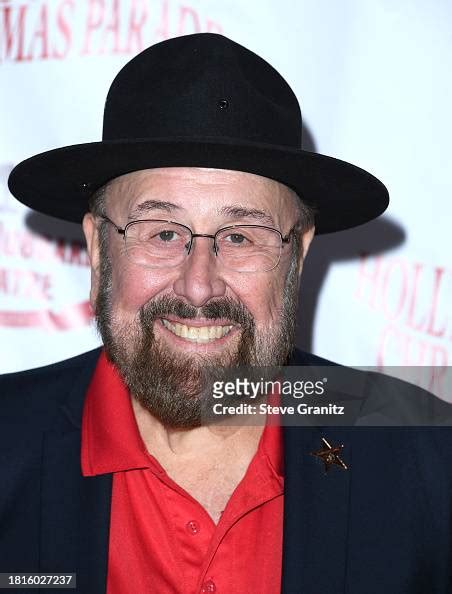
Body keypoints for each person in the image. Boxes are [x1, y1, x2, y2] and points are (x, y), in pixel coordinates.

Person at [2, 33, 452, 594]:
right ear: (97, 249)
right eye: (162, 232)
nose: (199, 285)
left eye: (241, 236)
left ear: (298, 254)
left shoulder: (425, 455)